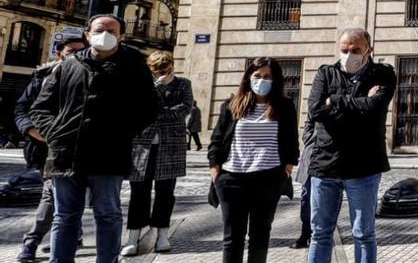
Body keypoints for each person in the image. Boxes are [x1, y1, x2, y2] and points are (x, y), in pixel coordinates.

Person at [29, 14, 159, 263]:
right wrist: (55, 133)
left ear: (121, 36)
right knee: (64, 216)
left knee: (108, 214)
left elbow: (149, 108)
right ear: (87, 34)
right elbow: (40, 107)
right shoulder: (68, 65)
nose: (106, 34)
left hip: (110, 155)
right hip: (66, 155)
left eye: (113, 30)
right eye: (100, 29)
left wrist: (123, 132)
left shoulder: (133, 65)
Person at [307, 27, 396, 263]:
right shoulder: (326, 73)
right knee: (320, 233)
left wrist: (334, 100)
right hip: (325, 164)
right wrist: (360, 103)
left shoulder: (383, 74)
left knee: (364, 233)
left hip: (364, 166)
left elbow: (374, 108)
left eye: (355, 50)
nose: (349, 54)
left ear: (369, 50)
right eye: (344, 50)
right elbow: (315, 110)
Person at [209, 57, 300, 263]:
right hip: (232, 179)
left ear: (275, 80)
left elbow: (291, 141)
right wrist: (215, 171)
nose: (262, 80)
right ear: (248, 77)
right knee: (233, 238)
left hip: (269, 179)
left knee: (260, 237)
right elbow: (217, 139)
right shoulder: (232, 105)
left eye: (268, 76)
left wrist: (287, 169)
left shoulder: (284, 106)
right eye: (258, 76)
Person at [14, 37, 86, 263]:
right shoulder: (41, 77)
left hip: (70, 148)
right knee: (56, 195)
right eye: (72, 50)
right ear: (59, 53)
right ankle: (56, 237)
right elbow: (21, 109)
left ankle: (34, 241)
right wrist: (32, 130)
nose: (77, 55)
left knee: (54, 195)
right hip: (42, 147)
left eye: (81, 51)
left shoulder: (89, 76)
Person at [123, 51, 194, 256]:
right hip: (142, 145)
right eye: (158, 70)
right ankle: (133, 237)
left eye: (167, 69)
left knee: (165, 193)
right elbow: (136, 109)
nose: (164, 73)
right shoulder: (140, 84)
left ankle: (162, 233)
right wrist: (158, 86)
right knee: (139, 193)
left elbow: (185, 108)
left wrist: (155, 113)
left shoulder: (183, 84)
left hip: (170, 145)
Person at [292, 117, 314, 250]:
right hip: (311, 156)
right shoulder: (317, 99)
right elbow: (308, 124)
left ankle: (314, 235)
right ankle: (305, 234)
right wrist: (310, 139)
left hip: (329, 159)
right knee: (306, 198)